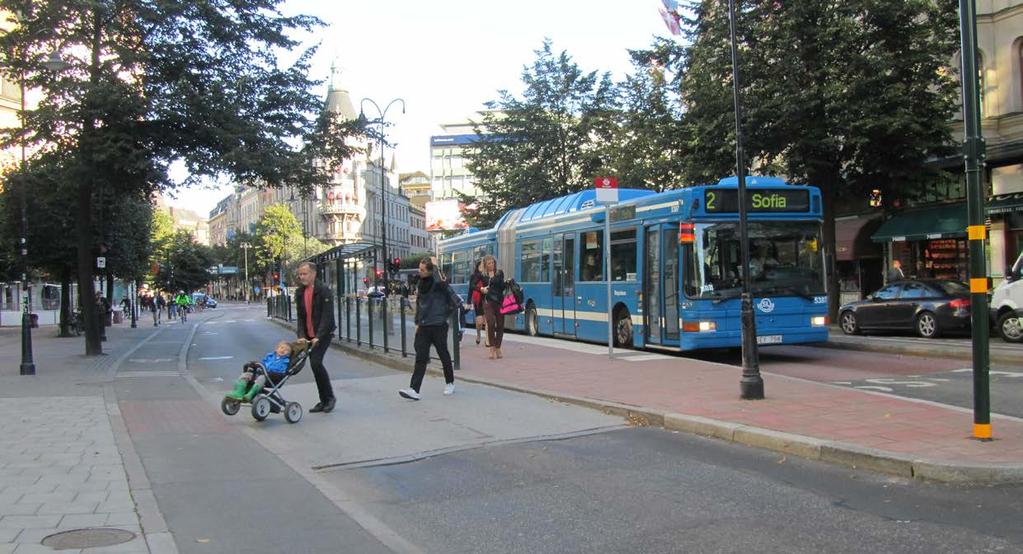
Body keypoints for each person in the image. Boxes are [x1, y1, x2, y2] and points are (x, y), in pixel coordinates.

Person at [399, 257, 456, 401]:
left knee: (443, 354)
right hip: (425, 324)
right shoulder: (421, 283)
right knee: (421, 357)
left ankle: (450, 382)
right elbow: (419, 303)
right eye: (420, 269)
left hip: (438, 323)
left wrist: (436, 267)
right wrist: (418, 322)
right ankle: (414, 389)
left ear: (430, 271)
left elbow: (442, 282)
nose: (420, 272)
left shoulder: (437, 284)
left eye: (423, 270)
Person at [294, 261, 336, 413]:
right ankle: (323, 400)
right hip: (308, 336)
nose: (301, 277)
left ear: (313, 274)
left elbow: (327, 316)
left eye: (304, 274)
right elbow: (300, 316)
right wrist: (301, 335)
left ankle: (329, 398)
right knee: (315, 366)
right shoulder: (299, 292)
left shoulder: (324, 291)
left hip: (323, 334)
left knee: (316, 363)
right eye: (300, 274)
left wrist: (319, 336)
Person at [225, 340, 292, 401]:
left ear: (288, 354)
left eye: (286, 350)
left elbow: (281, 370)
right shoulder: (270, 356)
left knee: (262, 377)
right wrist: (257, 366)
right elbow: (263, 363)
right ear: (277, 349)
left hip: (272, 377)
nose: (283, 350)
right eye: (281, 348)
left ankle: (250, 394)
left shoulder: (285, 361)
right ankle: (239, 392)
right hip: (262, 372)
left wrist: (266, 371)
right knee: (247, 374)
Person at [481, 254, 506, 360]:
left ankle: (498, 347)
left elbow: (501, 287)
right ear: (485, 265)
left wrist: (507, 283)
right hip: (488, 302)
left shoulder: (499, 273)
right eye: (489, 263)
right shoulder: (483, 275)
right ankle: (492, 347)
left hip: (499, 301)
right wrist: (482, 289)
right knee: (490, 322)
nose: (491, 265)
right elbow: (475, 285)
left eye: (492, 263)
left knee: (500, 324)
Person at [468, 259, 488, 346]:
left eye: (483, 266)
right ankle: (479, 334)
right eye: (481, 266)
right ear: (478, 266)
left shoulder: (486, 276)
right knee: (480, 322)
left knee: (487, 321)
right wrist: (468, 301)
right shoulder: (474, 276)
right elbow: (471, 288)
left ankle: (488, 340)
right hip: (478, 300)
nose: (482, 267)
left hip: (486, 299)